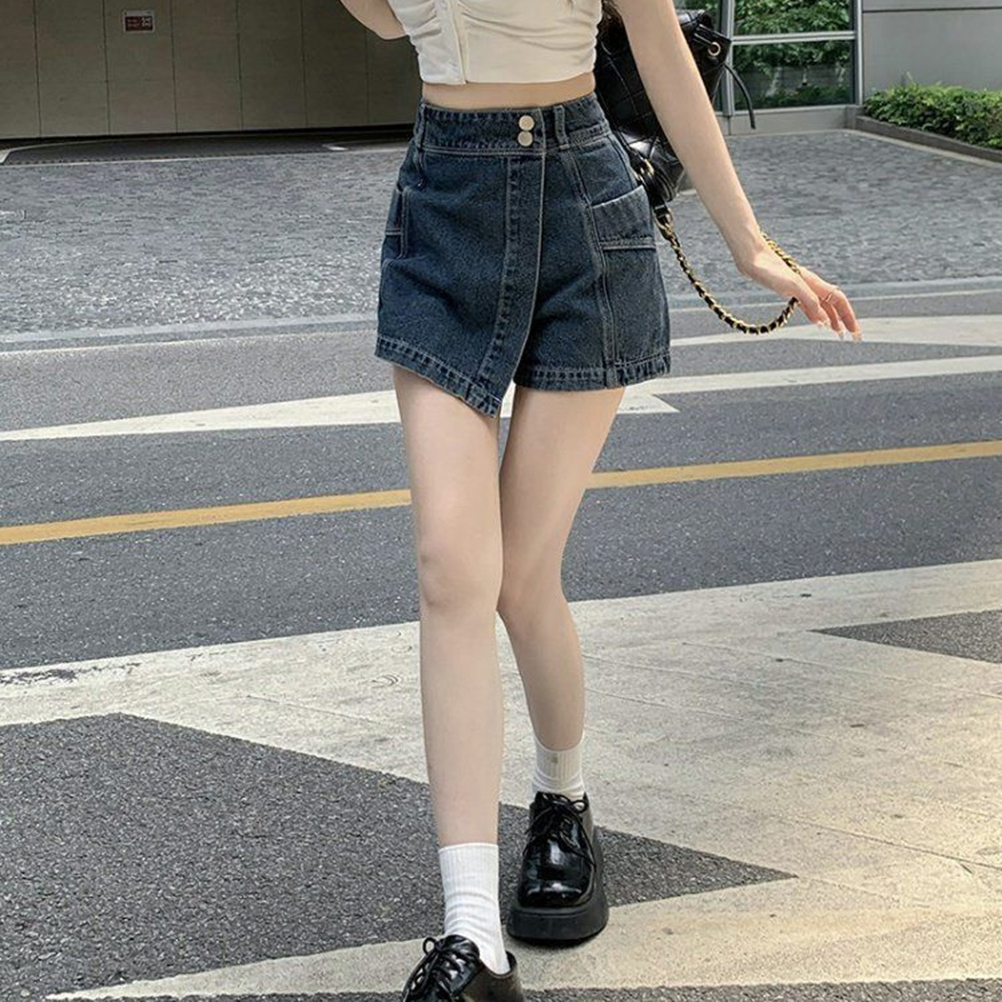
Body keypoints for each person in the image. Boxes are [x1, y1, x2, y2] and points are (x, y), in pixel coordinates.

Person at [341, 1, 862, 998]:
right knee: (452, 567)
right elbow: (380, 19)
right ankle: (472, 938)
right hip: (446, 210)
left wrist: (751, 244)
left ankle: (562, 800)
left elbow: (660, 48)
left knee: (521, 577)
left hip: (583, 207)